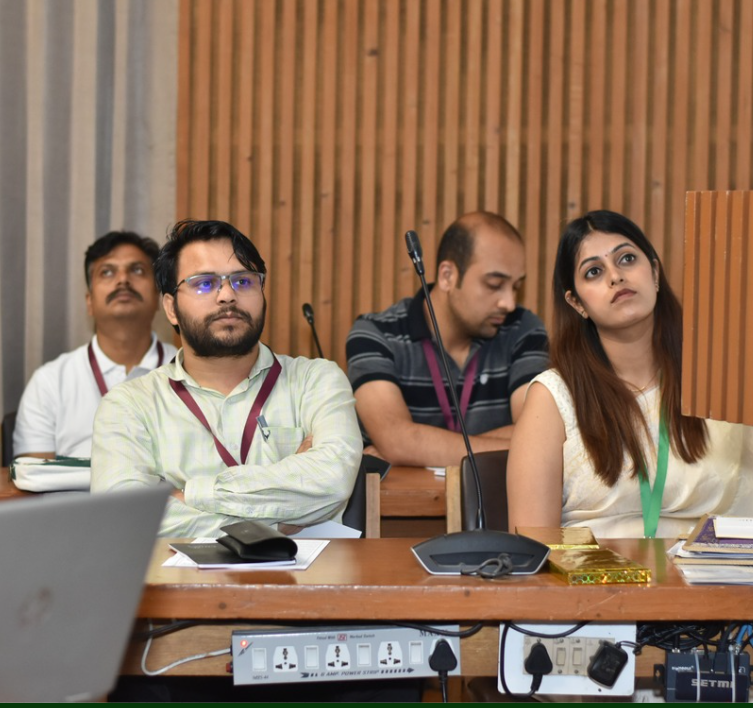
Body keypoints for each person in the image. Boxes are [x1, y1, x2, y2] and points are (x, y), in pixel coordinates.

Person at [90, 219, 362, 537]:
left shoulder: (317, 381)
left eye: (243, 281)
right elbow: (125, 519)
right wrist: (280, 519)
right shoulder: (129, 405)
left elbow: (331, 482)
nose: (227, 296)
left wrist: (188, 495)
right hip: (177, 571)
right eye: (204, 283)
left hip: (312, 570)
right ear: (171, 308)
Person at [507, 210, 753, 538]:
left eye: (626, 259)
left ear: (654, 272)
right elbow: (533, 543)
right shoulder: (554, 397)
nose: (615, 276)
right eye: (594, 271)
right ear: (576, 303)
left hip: (720, 568)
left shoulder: (725, 375)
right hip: (598, 570)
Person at [346, 211, 549, 467]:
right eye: (495, 284)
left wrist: (416, 447)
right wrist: (401, 445)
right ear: (447, 276)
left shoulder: (524, 329)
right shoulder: (375, 334)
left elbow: (539, 433)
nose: (508, 303)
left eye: (516, 286)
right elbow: (396, 441)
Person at [13, 231, 177, 458]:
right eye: (107, 272)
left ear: (160, 298)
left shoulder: (190, 372)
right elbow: (32, 476)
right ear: (89, 302)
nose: (123, 280)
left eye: (137, 270)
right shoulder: (49, 383)